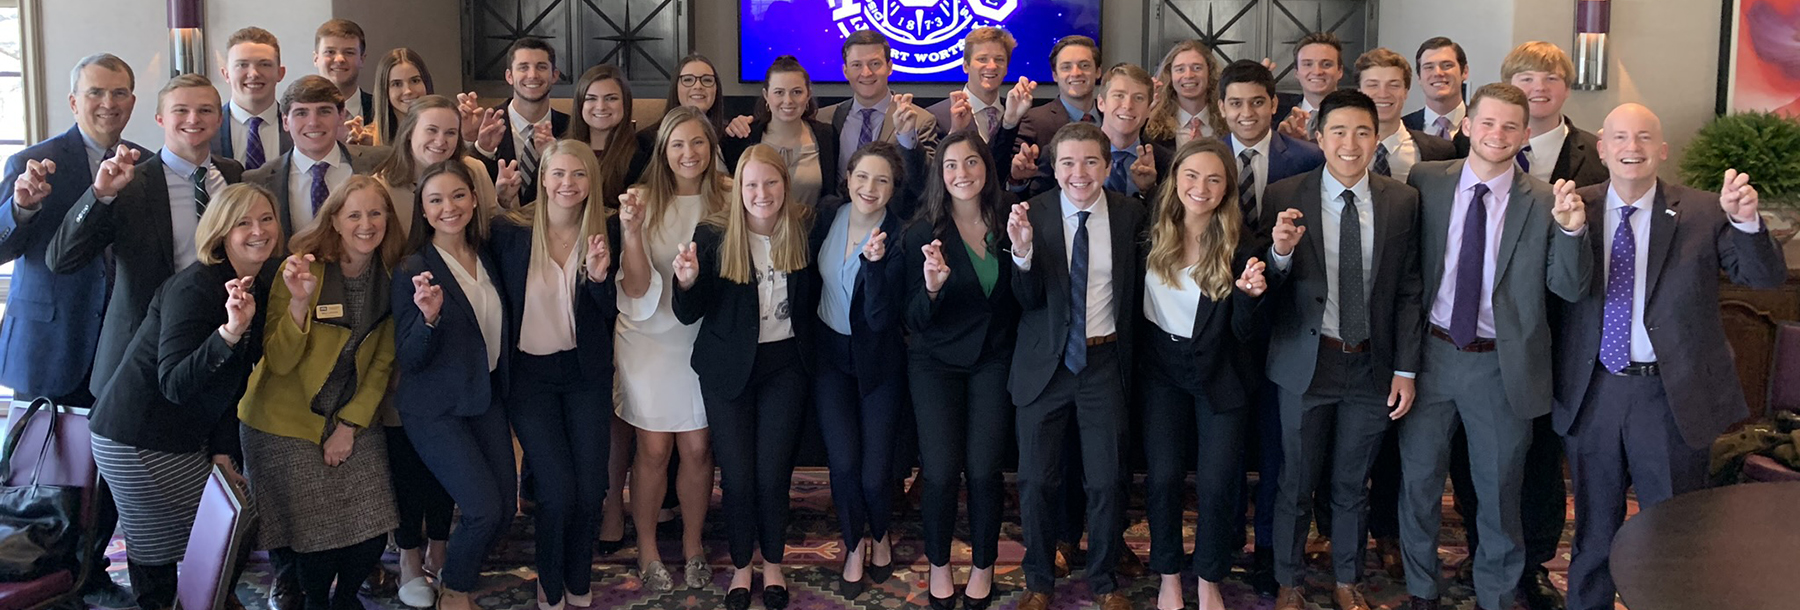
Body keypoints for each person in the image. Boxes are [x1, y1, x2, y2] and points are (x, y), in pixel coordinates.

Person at [1554, 103, 1785, 610]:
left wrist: (1747, 223)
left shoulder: (1704, 211)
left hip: (1670, 396)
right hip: (1594, 391)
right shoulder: (1574, 207)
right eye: (1620, 137)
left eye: (1643, 137)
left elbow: (1762, 277)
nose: (1631, 147)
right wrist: (1568, 231)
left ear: (1662, 150)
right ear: (1602, 149)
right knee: (1593, 531)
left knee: (1673, 532)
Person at [1396, 82, 1593, 610]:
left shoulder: (1546, 200)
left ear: (1525, 134)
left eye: (1510, 126)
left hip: (1502, 367)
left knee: (1500, 492)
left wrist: (1572, 233)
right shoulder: (1426, 181)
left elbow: (1569, 288)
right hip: (1431, 357)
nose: (1497, 134)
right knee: (1419, 485)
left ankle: (1496, 596)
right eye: (1487, 122)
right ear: (1467, 126)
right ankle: (1421, 591)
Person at [1443, 43, 1609, 610]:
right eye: (1526, 78)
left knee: (1539, 457)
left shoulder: (1596, 155)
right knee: (1476, 453)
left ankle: (1533, 561)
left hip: (1565, 330)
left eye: (1551, 78)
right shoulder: (1463, 152)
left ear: (1566, 88)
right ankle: (1479, 551)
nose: (1539, 87)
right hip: (1487, 336)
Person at [1260, 90, 1423, 610]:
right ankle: (1289, 580)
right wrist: (1279, 254)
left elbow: (1409, 289)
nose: (1349, 143)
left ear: (1376, 139)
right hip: (1307, 363)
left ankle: (1347, 580)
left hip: (1372, 365)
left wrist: (1406, 368)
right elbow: (1266, 286)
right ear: (1319, 136)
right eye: (1338, 131)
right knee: (1295, 481)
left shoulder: (1402, 200)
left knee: (1353, 483)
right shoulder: (1285, 194)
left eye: (1362, 132)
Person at [88, 183, 281, 610]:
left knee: (171, 535)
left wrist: (223, 451)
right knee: (230, 525)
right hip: (136, 434)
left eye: (266, 219)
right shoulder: (195, 287)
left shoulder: (256, 285)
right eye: (244, 222)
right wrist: (229, 333)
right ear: (221, 232)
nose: (259, 231)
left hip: (169, 431)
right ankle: (195, 601)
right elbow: (174, 383)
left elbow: (235, 381)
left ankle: (198, 600)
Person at [0, 54, 146, 609]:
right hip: (50, 342)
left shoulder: (146, 164)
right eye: (96, 93)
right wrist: (22, 207)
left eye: (119, 93)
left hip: (118, 345)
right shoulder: (33, 162)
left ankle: (90, 570)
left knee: (108, 471)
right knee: (45, 471)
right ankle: (38, 565)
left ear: (133, 102)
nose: (108, 103)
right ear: (73, 101)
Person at [238, 176, 403, 610]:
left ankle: (344, 599)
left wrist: (349, 426)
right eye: (354, 215)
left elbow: (381, 365)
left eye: (375, 213)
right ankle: (313, 598)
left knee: (373, 529)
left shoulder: (392, 276)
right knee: (317, 539)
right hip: (284, 418)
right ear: (334, 220)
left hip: (350, 412)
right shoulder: (301, 269)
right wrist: (298, 304)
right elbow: (278, 362)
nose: (366, 224)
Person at [1005, 121, 1149, 610]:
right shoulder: (1032, 212)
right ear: (1054, 167)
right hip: (1044, 364)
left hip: (1104, 361)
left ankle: (1104, 581)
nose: (1079, 173)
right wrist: (1022, 252)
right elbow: (1024, 300)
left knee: (1106, 480)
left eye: (1090, 161)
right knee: (1036, 480)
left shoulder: (1130, 215)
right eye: (1067, 162)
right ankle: (1039, 580)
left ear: (1107, 166)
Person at [671, 144, 820, 610]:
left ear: (785, 185)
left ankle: (772, 563)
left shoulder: (806, 226)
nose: (762, 193)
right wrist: (687, 281)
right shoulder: (714, 234)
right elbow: (689, 313)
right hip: (727, 368)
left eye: (771, 182)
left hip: (785, 366)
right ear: (738, 188)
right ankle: (741, 566)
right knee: (736, 476)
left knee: (773, 474)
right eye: (751, 184)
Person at [48, 73, 248, 399]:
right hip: (139, 355)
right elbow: (61, 259)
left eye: (205, 110)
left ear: (219, 118)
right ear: (160, 119)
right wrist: (99, 195)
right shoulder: (127, 184)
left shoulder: (234, 175)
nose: (193, 119)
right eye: (180, 110)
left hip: (217, 344)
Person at [1138, 139, 1269, 610]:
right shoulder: (1147, 230)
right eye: (1191, 175)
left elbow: (1247, 334)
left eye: (1214, 179)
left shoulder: (1243, 245)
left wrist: (1250, 298)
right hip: (1160, 371)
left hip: (1221, 371)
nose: (1201, 187)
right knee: (1164, 478)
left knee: (1217, 484)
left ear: (1227, 188)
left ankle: (1210, 577)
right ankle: (1169, 575)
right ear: (1175, 179)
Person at [490, 141, 619, 609]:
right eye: (559, 174)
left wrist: (600, 281)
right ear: (542, 179)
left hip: (586, 372)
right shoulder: (510, 230)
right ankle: (549, 582)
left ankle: (578, 578)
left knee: (591, 489)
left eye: (579, 174)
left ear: (592, 181)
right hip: (530, 376)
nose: (568, 183)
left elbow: (614, 311)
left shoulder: (607, 230)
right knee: (558, 491)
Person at [390, 159, 515, 610]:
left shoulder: (486, 255)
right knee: (482, 509)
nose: (449, 207)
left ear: (474, 199)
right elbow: (409, 357)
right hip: (435, 408)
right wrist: (429, 319)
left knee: (505, 509)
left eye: (458, 195)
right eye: (436, 200)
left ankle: (451, 571)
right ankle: (454, 591)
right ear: (423, 210)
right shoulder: (413, 267)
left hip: (484, 397)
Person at [611, 106, 727, 590]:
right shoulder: (640, 199)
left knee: (698, 447)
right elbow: (636, 287)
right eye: (677, 144)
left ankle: (694, 545)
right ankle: (648, 548)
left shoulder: (728, 195)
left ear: (711, 148)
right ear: (663, 150)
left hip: (703, 336)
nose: (689, 153)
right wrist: (632, 232)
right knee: (654, 447)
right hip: (648, 336)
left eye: (698, 142)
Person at [903, 131, 1020, 610]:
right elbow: (911, 319)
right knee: (940, 470)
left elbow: (1026, 294)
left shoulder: (1011, 220)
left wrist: (1025, 253)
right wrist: (932, 289)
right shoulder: (923, 232)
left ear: (987, 167)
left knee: (986, 469)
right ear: (940, 174)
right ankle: (938, 564)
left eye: (971, 162)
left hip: (993, 358)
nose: (962, 173)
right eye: (951, 165)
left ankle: (984, 564)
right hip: (935, 363)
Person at [809, 142, 907, 598]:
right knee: (844, 464)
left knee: (875, 471)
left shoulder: (901, 235)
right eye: (862, 176)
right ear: (848, 178)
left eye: (882, 180)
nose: (870, 187)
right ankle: (853, 544)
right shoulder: (828, 214)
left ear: (893, 188)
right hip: (829, 356)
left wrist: (874, 268)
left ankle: (880, 534)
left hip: (878, 361)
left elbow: (882, 318)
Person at [244, 76, 387, 236]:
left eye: (324, 111)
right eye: (301, 113)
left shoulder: (381, 163)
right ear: (285, 122)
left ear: (341, 116)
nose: (313, 122)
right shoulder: (258, 180)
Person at [1010, 63, 1172, 200]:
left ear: (1150, 109)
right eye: (1119, 95)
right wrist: (1018, 181)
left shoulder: (1166, 162)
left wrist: (1148, 190)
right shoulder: (1059, 152)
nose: (1128, 106)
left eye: (1138, 98)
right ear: (1101, 103)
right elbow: (1037, 209)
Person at [372, 94, 518, 236]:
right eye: (431, 130)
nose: (441, 141)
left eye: (450, 133)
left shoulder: (474, 170)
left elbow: (494, 231)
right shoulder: (380, 188)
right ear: (409, 132)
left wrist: (504, 201)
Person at [818, 30, 939, 177]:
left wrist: (907, 136)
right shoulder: (823, 119)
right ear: (845, 71)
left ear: (889, 67)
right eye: (857, 65)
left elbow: (929, 180)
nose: (866, 73)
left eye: (875, 64)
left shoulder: (920, 120)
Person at [722, 55, 839, 203]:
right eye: (779, 92)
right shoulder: (743, 137)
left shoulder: (827, 137)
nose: (788, 100)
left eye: (797, 92)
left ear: (808, 95)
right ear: (766, 95)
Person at [471, 37, 569, 205]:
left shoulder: (570, 127)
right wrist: (483, 150)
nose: (532, 75)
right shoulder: (486, 124)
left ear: (554, 75)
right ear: (509, 76)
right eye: (523, 67)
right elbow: (468, 183)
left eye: (541, 67)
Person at [1353, 48, 1457, 184]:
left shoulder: (1440, 151)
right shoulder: (1339, 149)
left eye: (1394, 85)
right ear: (1359, 92)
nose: (1383, 94)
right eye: (1373, 85)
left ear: (1406, 91)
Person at [566, 64, 647, 203]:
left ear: (625, 103)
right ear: (580, 104)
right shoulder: (562, 150)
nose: (601, 107)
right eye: (591, 98)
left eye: (611, 98)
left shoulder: (643, 155)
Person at [213, 27, 291, 170]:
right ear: (226, 74)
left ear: (280, 73)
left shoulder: (299, 127)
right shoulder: (207, 128)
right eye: (242, 65)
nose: (254, 74)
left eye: (264, 64)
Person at [927, 27, 1015, 143]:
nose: (992, 66)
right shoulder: (936, 116)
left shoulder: (1017, 115)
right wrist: (955, 131)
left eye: (999, 59)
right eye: (982, 59)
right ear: (965, 66)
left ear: (1006, 68)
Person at [1018, 35, 1101, 149]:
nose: (1076, 73)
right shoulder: (1034, 121)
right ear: (1055, 75)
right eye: (1066, 67)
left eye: (1084, 65)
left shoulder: (1112, 117)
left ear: (1098, 72)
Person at [1146, 40, 1224, 147]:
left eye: (1197, 68)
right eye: (1180, 69)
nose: (1188, 75)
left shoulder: (1229, 123)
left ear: (1210, 72)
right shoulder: (1151, 128)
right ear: (1170, 75)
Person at [1277, 32, 1346, 135]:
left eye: (1326, 64)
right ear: (1296, 72)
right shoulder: (1277, 112)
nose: (1317, 72)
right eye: (1308, 64)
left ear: (1340, 71)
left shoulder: (1357, 112)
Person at [1402, 37, 1469, 140]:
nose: (1438, 73)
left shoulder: (1482, 124)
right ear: (1419, 77)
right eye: (1429, 67)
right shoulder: (1402, 129)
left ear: (1464, 72)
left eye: (1447, 65)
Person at [312, 19, 373, 124]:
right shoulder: (295, 114)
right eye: (330, 52)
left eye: (349, 52)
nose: (339, 59)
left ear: (362, 59)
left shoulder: (385, 111)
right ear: (316, 59)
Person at [371, 48, 434, 146]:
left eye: (415, 81)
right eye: (397, 84)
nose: (408, 91)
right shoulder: (370, 138)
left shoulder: (447, 131)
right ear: (385, 91)